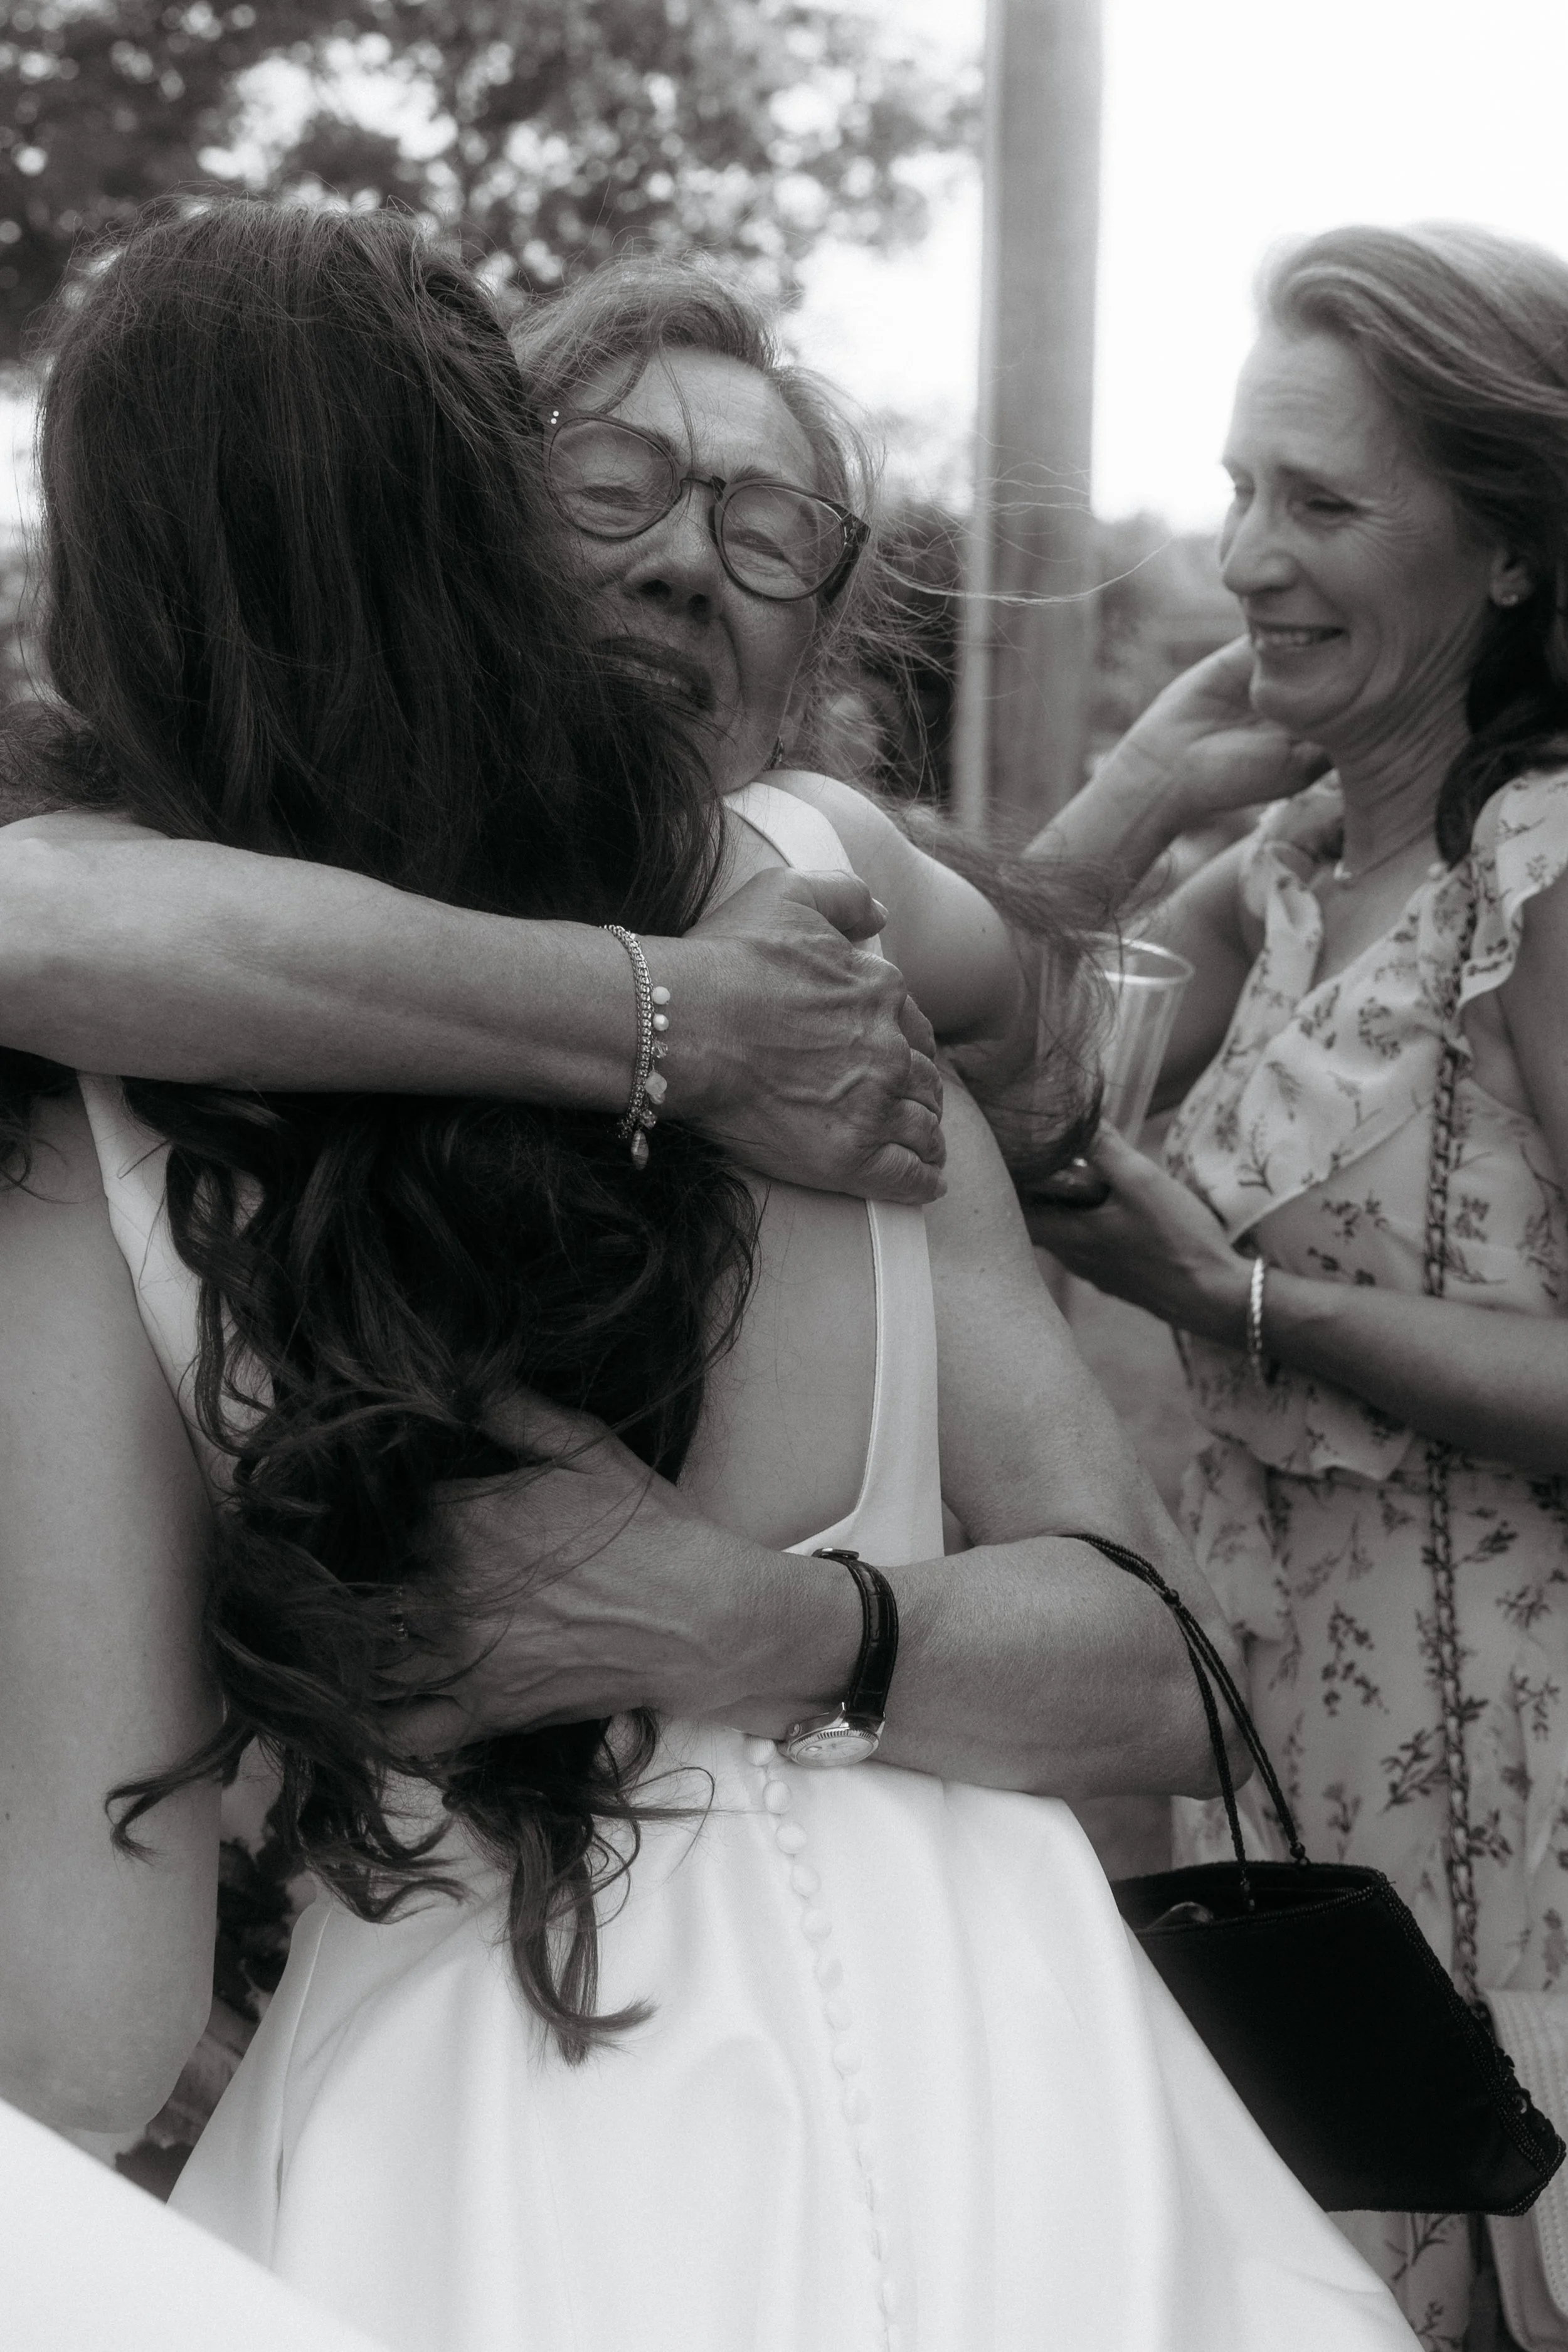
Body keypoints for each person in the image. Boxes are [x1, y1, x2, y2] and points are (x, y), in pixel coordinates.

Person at [11, 199, 1414, 2349]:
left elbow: (1155, 1666)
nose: (685, 562)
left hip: (787, 2086)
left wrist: (758, 1619)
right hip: (764, 2080)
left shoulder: (809, 934)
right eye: (617, 492)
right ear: (489, 525)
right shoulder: (713, 967)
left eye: (771, 529)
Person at [1031, 220, 1568, 2343]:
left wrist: (1230, 1298)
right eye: (1239, 486)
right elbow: (944, 1098)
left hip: (1522, 1806)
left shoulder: (1539, 873)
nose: (1247, 553)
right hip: (1289, 1793)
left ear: (1512, 550)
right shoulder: (1286, 876)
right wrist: (1146, 780)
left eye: (1322, 502)